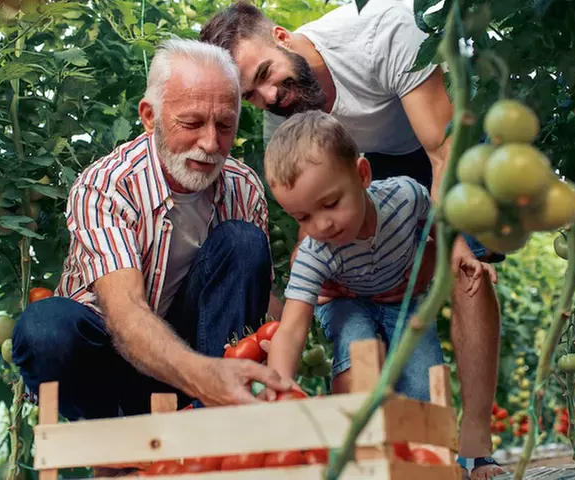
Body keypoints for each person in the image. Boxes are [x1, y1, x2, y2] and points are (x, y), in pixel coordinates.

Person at [200, 3, 504, 479]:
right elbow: (308, 218)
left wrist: (455, 245)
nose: (269, 96)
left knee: (468, 270)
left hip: (440, 136)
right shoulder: (284, 116)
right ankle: (382, 454)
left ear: (281, 36)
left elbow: (442, 155)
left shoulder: (382, 33)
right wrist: (288, 319)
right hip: (359, 165)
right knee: (346, 283)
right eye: (251, 96)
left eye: (265, 74)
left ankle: (476, 442)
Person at [11, 39, 293, 427]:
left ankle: (215, 422)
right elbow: (126, 315)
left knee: (243, 242)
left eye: (225, 125)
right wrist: (206, 375)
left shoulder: (242, 187)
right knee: (44, 329)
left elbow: (252, 303)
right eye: (192, 124)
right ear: (149, 116)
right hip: (112, 365)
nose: (211, 143)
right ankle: (113, 439)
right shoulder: (107, 185)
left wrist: (289, 338)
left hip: (200, 365)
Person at [260, 110, 485, 404]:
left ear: (362, 175)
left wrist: (459, 250)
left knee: (423, 384)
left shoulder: (404, 197)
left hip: (401, 299)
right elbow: (291, 329)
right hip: (346, 304)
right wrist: (278, 384)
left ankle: (427, 432)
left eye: (331, 203)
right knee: (358, 354)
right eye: (303, 217)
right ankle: (354, 426)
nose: (322, 225)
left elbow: (437, 221)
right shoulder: (314, 253)